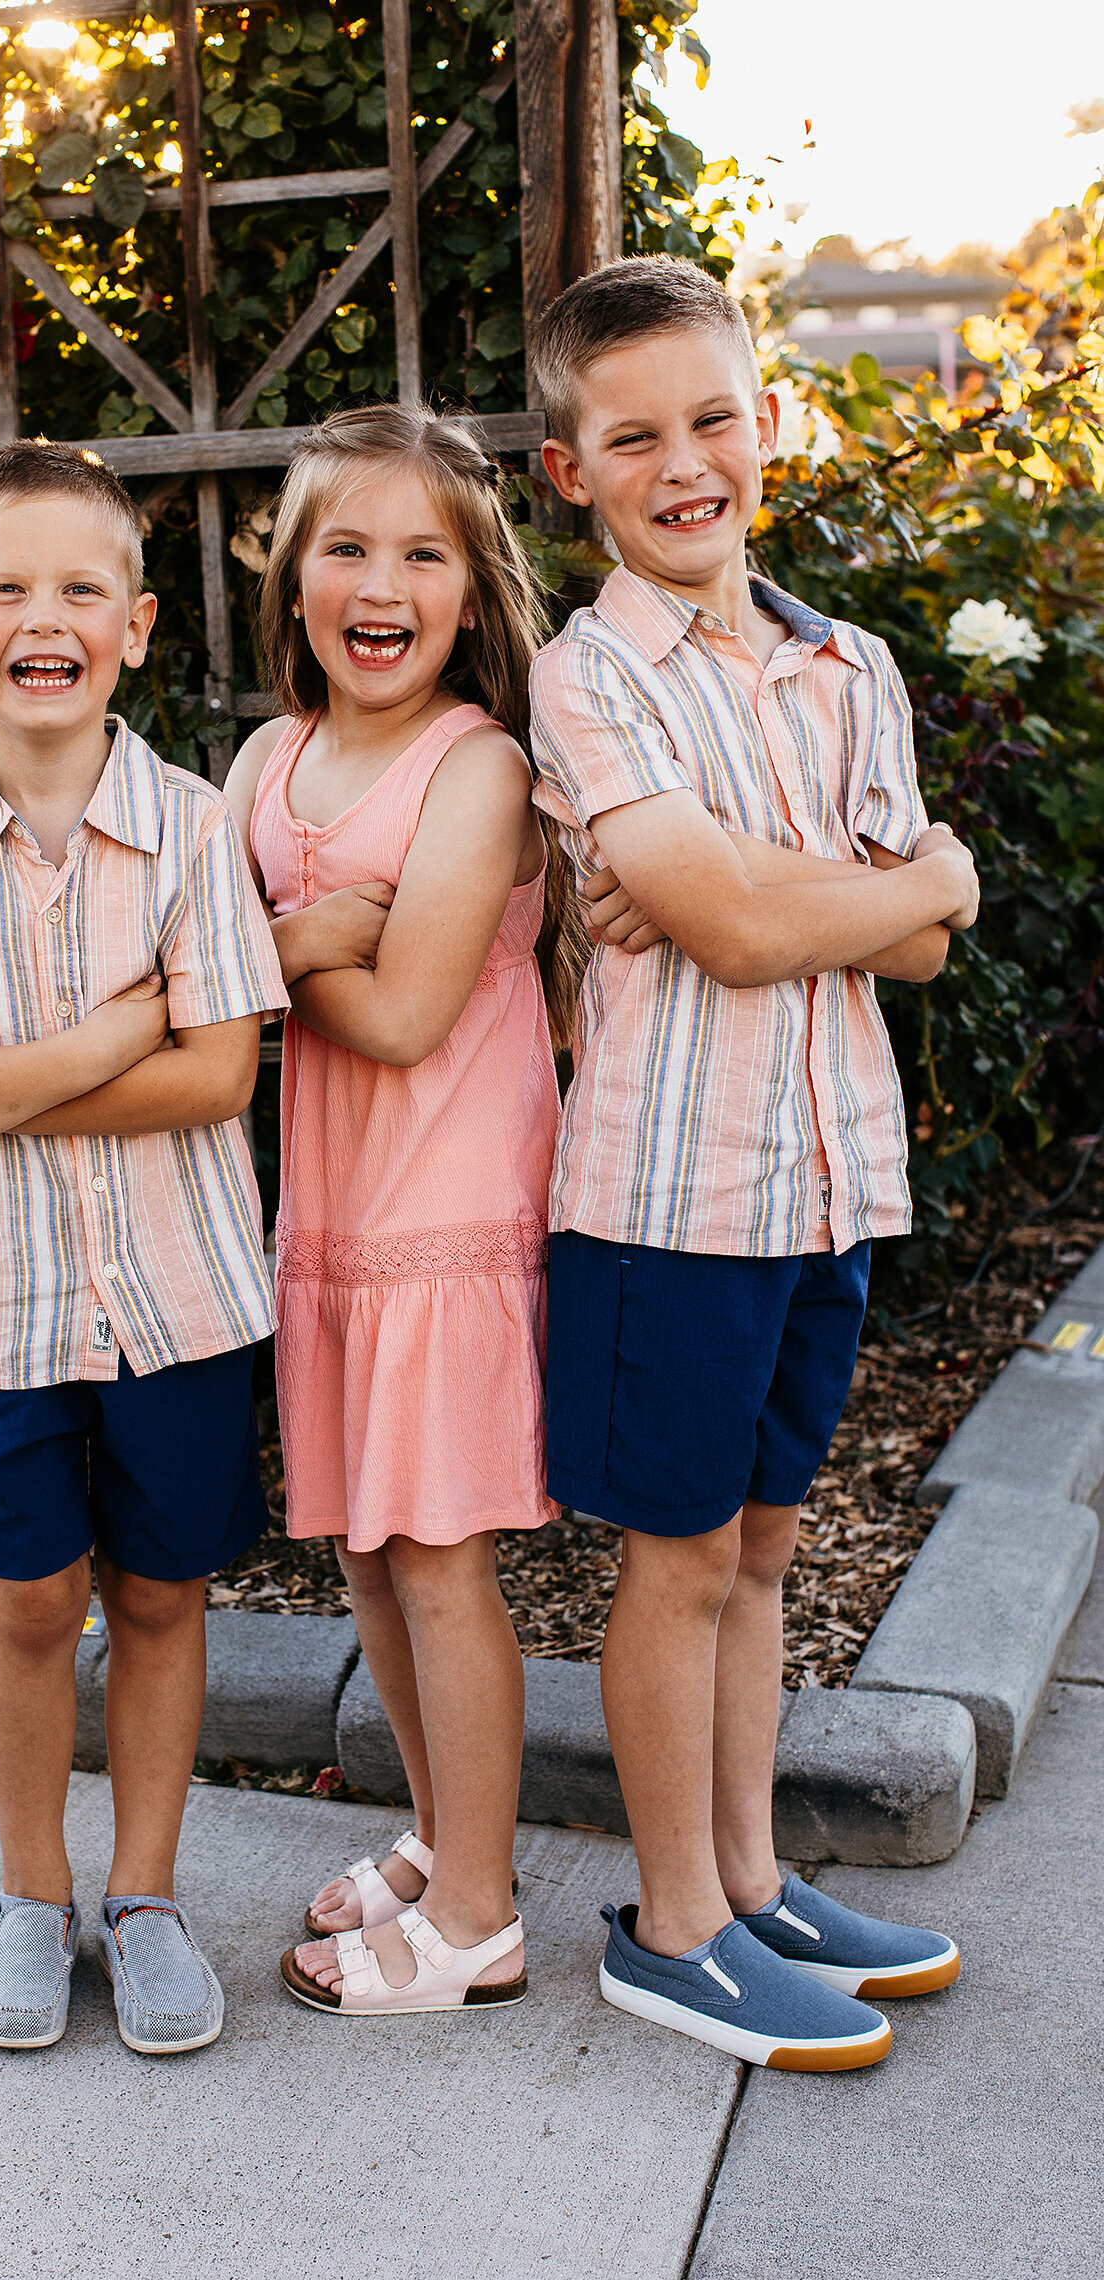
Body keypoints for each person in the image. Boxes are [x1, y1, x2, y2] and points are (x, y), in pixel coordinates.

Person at [524, 256, 972, 2071]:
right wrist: (904, 882)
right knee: (683, 1559)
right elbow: (727, 929)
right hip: (671, 1198)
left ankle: (756, 1876)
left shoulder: (845, 663)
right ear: (574, 473)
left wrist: (857, 908)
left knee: (770, 1547)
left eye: (714, 418)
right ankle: (673, 1928)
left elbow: (905, 948)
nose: (684, 462)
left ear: (767, 422)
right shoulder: (591, 677)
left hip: (827, 1177)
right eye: (635, 437)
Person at [0, 440, 286, 2057]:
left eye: (81, 586)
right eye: (3, 585)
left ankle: (143, 1896)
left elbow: (219, 1074)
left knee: (160, 1598)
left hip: (184, 1297)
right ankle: (32, 1895)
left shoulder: (196, 827)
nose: (44, 615)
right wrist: (110, 1038)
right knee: (27, 1607)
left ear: (140, 625)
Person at [224, 404, 582, 2018]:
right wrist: (320, 933)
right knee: (369, 1554)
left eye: (421, 552)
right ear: (292, 576)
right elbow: (204, 972)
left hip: (448, 1213)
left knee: (441, 1562)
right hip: (337, 1221)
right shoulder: (265, 759)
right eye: (345, 547)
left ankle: (482, 1920)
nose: (381, 581)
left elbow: (406, 1013)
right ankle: (444, 1838)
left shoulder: (480, 766)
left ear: (469, 586)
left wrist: (288, 950)